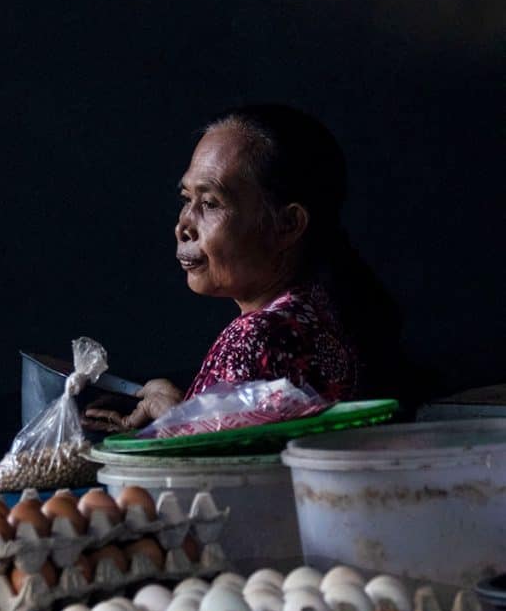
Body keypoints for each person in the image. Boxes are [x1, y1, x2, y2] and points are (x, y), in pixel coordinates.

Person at [88, 103, 403, 431]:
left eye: (210, 203)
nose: (183, 226)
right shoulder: (327, 311)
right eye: (186, 199)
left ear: (288, 224)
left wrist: (174, 420)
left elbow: (215, 472)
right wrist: (182, 409)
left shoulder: (257, 337)